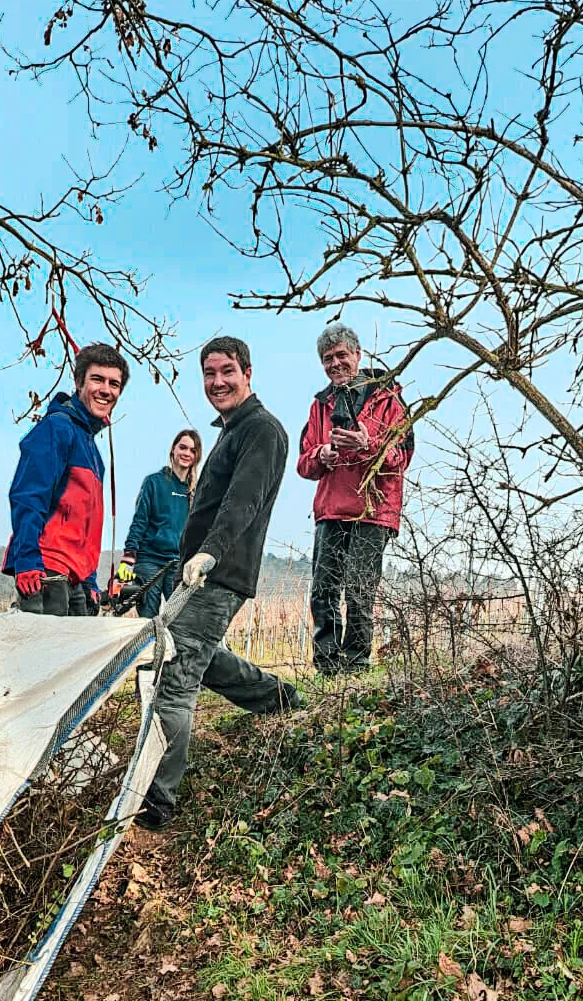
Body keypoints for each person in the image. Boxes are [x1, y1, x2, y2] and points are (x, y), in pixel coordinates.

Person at [137, 337, 299, 832]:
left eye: (227, 371)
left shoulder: (262, 431)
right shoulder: (231, 432)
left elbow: (242, 502)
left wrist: (210, 551)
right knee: (199, 660)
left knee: (175, 682)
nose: (217, 382)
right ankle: (280, 700)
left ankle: (156, 800)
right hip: (201, 571)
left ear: (247, 373)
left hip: (218, 572)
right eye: (209, 374)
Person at [297, 323, 413, 674]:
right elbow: (303, 463)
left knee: (360, 592)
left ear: (358, 355)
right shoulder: (319, 406)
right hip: (331, 509)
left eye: (341, 355)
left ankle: (357, 664)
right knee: (324, 591)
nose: (335, 364)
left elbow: (402, 456)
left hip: (373, 511)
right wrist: (323, 455)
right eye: (328, 359)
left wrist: (369, 445)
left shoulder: (389, 400)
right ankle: (328, 666)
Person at [2, 342, 128, 616]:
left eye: (114, 384)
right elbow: (28, 498)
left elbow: (88, 525)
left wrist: (91, 581)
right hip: (47, 571)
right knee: (43, 655)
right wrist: (27, 562)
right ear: (79, 382)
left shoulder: (93, 451)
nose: (106, 390)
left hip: (78, 578)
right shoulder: (56, 429)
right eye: (97, 379)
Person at [117, 429, 204, 617]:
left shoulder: (196, 493)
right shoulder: (154, 483)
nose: (187, 453)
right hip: (150, 561)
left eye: (192, 450)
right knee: (148, 619)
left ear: (196, 457)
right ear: (173, 450)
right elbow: (139, 522)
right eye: (183, 447)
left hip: (179, 564)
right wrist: (127, 559)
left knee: (180, 619)